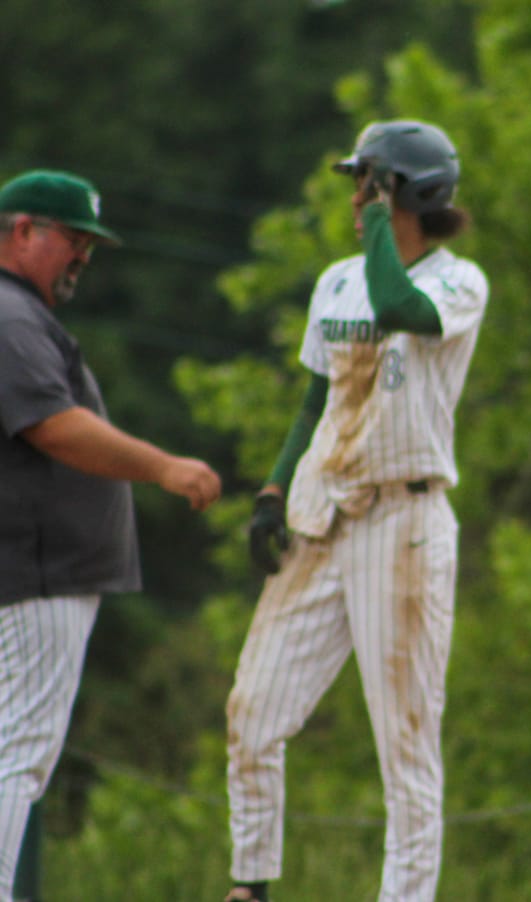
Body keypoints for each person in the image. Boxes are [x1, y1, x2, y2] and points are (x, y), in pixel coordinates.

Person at [223, 119, 488, 902]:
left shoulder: (457, 279)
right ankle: (251, 885)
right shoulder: (338, 278)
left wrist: (380, 220)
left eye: (367, 181)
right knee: (254, 711)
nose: (355, 195)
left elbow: (398, 305)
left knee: (405, 741)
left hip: (406, 525)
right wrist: (274, 489)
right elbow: (318, 398)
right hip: (325, 513)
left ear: (404, 190)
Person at [0, 169, 222, 900]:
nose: (85, 257)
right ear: (23, 230)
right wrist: (162, 466)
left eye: (91, 243)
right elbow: (53, 427)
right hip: (37, 575)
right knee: (17, 753)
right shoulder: (8, 314)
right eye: (74, 238)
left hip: (33, 571)